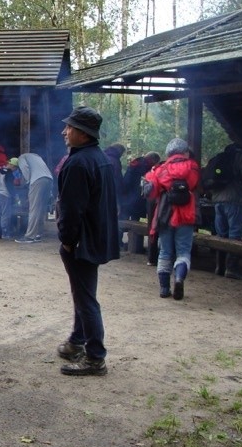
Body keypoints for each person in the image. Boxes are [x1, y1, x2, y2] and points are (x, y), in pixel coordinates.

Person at [55, 106, 119, 376]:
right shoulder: (100, 158)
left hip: (82, 240)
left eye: (69, 128)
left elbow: (72, 208)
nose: (64, 132)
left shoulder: (79, 163)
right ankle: (76, 341)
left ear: (83, 134)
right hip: (96, 237)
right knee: (84, 293)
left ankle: (95, 357)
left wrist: (68, 240)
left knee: (86, 298)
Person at [143, 138, 200, 300]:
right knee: (183, 251)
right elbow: (195, 186)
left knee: (165, 252)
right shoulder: (193, 167)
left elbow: (152, 193)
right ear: (185, 152)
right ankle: (179, 278)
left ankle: (164, 289)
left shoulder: (161, 169)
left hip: (165, 214)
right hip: (187, 215)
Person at [208, 141, 242, 279]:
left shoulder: (219, 157)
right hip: (235, 200)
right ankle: (231, 268)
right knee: (235, 234)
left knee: (221, 234)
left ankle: (219, 267)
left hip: (217, 200)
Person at [10, 152, 53, 243]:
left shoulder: (21, 157)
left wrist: (27, 183)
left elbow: (25, 169)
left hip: (37, 180)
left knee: (33, 208)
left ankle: (29, 236)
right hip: (49, 179)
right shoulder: (37, 156)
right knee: (41, 209)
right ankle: (38, 234)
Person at [121, 152, 161, 221]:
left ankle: (124, 230)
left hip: (128, 195)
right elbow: (140, 182)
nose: (154, 165)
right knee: (133, 216)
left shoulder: (138, 162)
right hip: (135, 196)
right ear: (152, 160)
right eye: (155, 162)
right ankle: (131, 231)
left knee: (125, 215)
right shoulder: (143, 166)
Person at [0, 158, 18, 239]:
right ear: (13, 166)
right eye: (16, 168)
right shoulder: (9, 173)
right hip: (5, 195)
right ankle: (5, 233)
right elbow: (10, 186)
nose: (15, 170)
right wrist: (14, 196)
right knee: (5, 215)